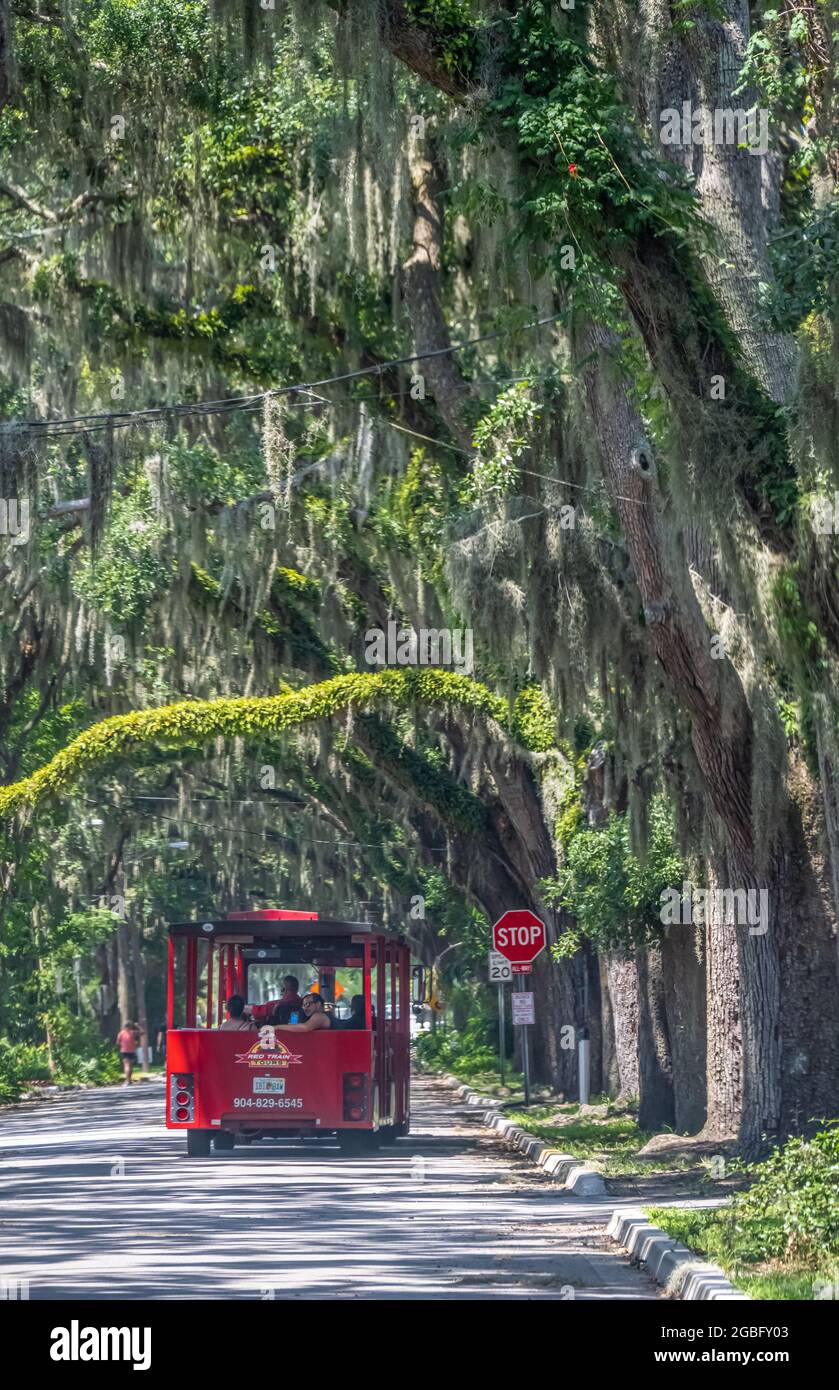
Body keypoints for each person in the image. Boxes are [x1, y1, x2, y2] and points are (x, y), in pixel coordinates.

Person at [116, 1021, 140, 1085]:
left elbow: (117, 1043)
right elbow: (143, 1032)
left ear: (124, 1026)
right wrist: (137, 1026)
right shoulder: (133, 1032)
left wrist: (122, 1045)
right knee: (131, 1066)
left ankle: (127, 1080)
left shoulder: (120, 1033)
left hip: (124, 1051)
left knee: (126, 1065)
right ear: (130, 1026)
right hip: (132, 1051)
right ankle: (129, 1080)